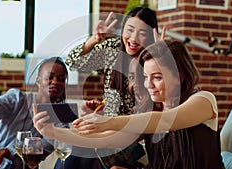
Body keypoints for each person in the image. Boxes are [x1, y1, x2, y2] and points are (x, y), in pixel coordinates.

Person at [33, 40, 225, 169]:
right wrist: (54, 133)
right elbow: (105, 140)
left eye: (157, 77)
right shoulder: (151, 111)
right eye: (145, 77)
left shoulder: (203, 101)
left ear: (179, 76)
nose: (148, 85)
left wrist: (108, 121)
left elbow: (166, 120)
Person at [65, 6, 162, 169]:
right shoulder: (114, 50)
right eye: (129, 30)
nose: (134, 38)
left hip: (133, 140)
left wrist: (161, 56)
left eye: (142, 33)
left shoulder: (153, 64)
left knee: (82, 157)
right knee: (74, 157)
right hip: (104, 135)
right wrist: (95, 39)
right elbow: (73, 63)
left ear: (152, 36)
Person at [0, 57, 69, 169]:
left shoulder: (61, 118)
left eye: (61, 79)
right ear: (38, 80)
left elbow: (42, 147)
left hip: (22, 166)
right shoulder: (16, 98)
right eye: (50, 77)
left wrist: (5, 152)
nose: (55, 82)